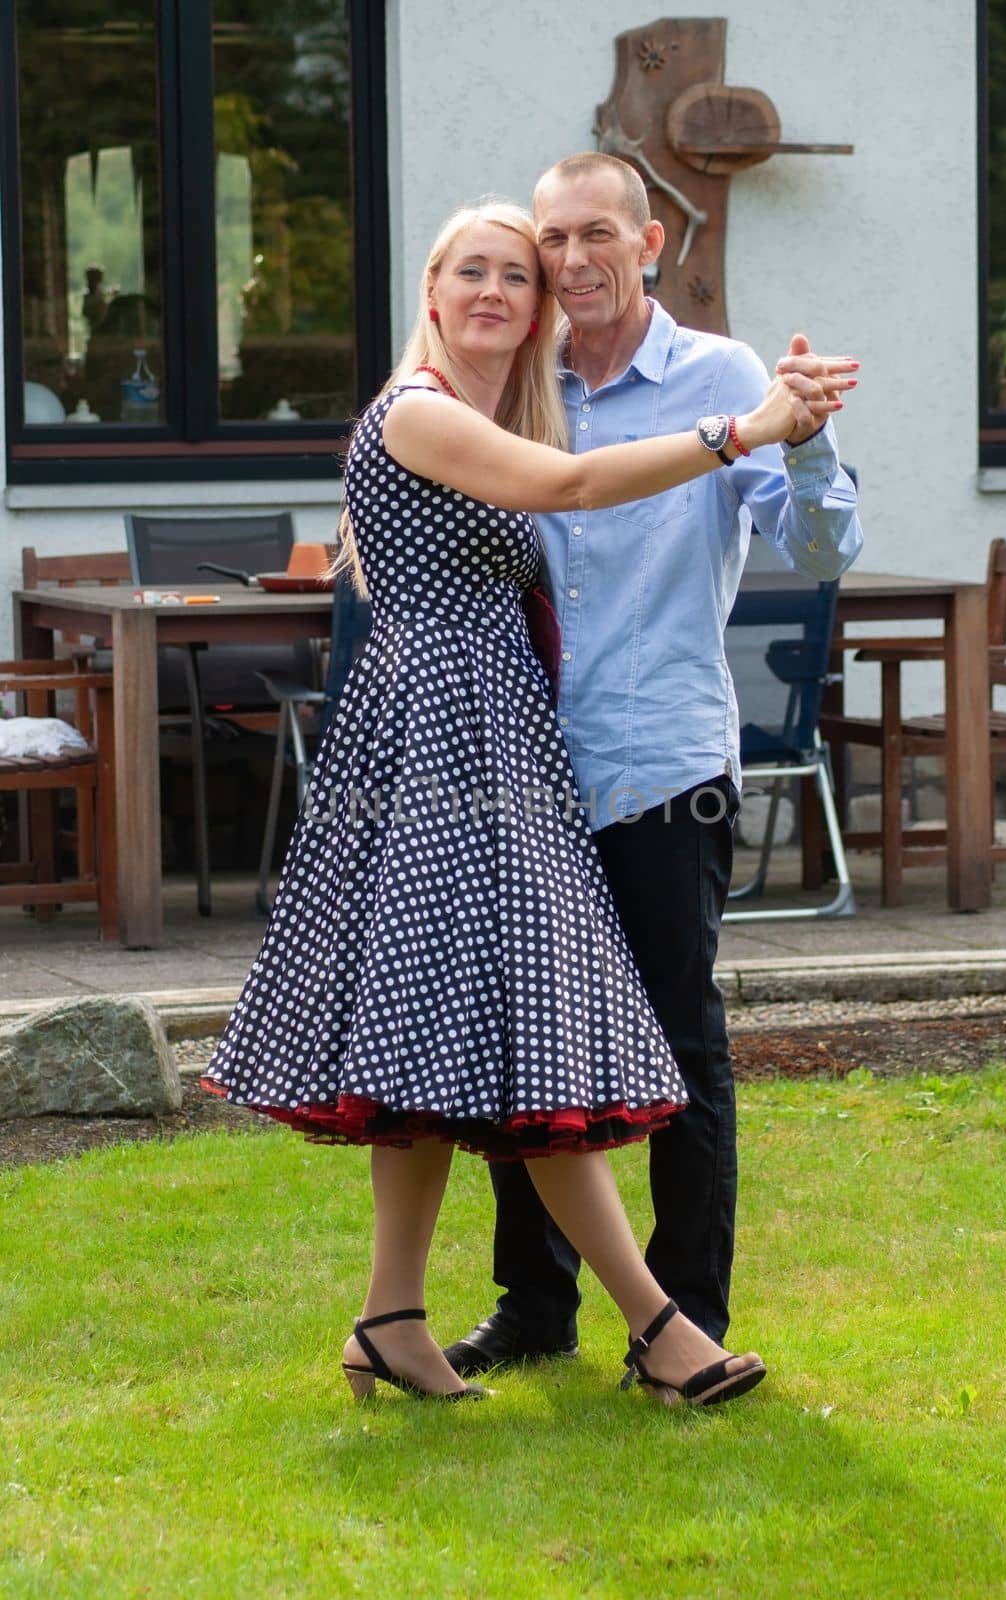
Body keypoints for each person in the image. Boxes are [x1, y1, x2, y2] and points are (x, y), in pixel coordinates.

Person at [202, 198, 852, 1408]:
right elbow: (575, 482)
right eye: (474, 271)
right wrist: (745, 428)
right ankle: (658, 1326)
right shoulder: (420, 413)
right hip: (449, 747)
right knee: (528, 1034)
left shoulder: (478, 410)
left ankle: (394, 1315)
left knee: (440, 1033)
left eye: (518, 274)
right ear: (433, 293)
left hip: (488, 739)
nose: (498, 290)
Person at [444, 156, 864, 1378]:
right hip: (520, 770)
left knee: (680, 1041)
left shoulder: (722, 379)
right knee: (527, 1043)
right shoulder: (514, 385)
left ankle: (688, 1320)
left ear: (650, 242)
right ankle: (533, 1306)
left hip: (656, 764)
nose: (569, 260)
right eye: (550, 237)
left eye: (594, 236)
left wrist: (806, 442)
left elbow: (821, 547)